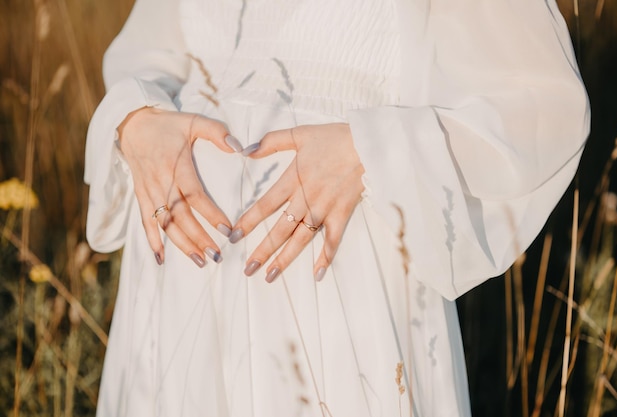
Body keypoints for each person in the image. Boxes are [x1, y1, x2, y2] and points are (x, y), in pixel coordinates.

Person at [84, 0, 589, 416]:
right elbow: (147, 53)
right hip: (179, 271)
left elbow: (541, 110)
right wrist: (137, 121)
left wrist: (367, 150)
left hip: (334, 266)